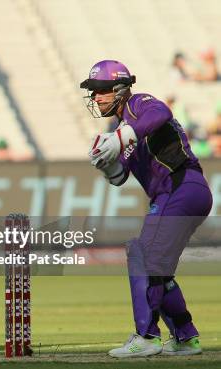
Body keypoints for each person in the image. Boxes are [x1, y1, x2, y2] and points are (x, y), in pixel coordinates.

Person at [82, 60, 211, 358]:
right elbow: (120, 177)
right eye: (93, 92)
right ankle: (185, 337)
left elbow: (161, 112)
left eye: (101, 90)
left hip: (182, 185)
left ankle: (147, 336)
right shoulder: (119, 128)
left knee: (143, 255)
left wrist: (119, 139)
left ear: (120, 88)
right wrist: (106, 163)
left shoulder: (138, 104)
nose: (96, 97)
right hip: (175, 193)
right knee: (158, 269)